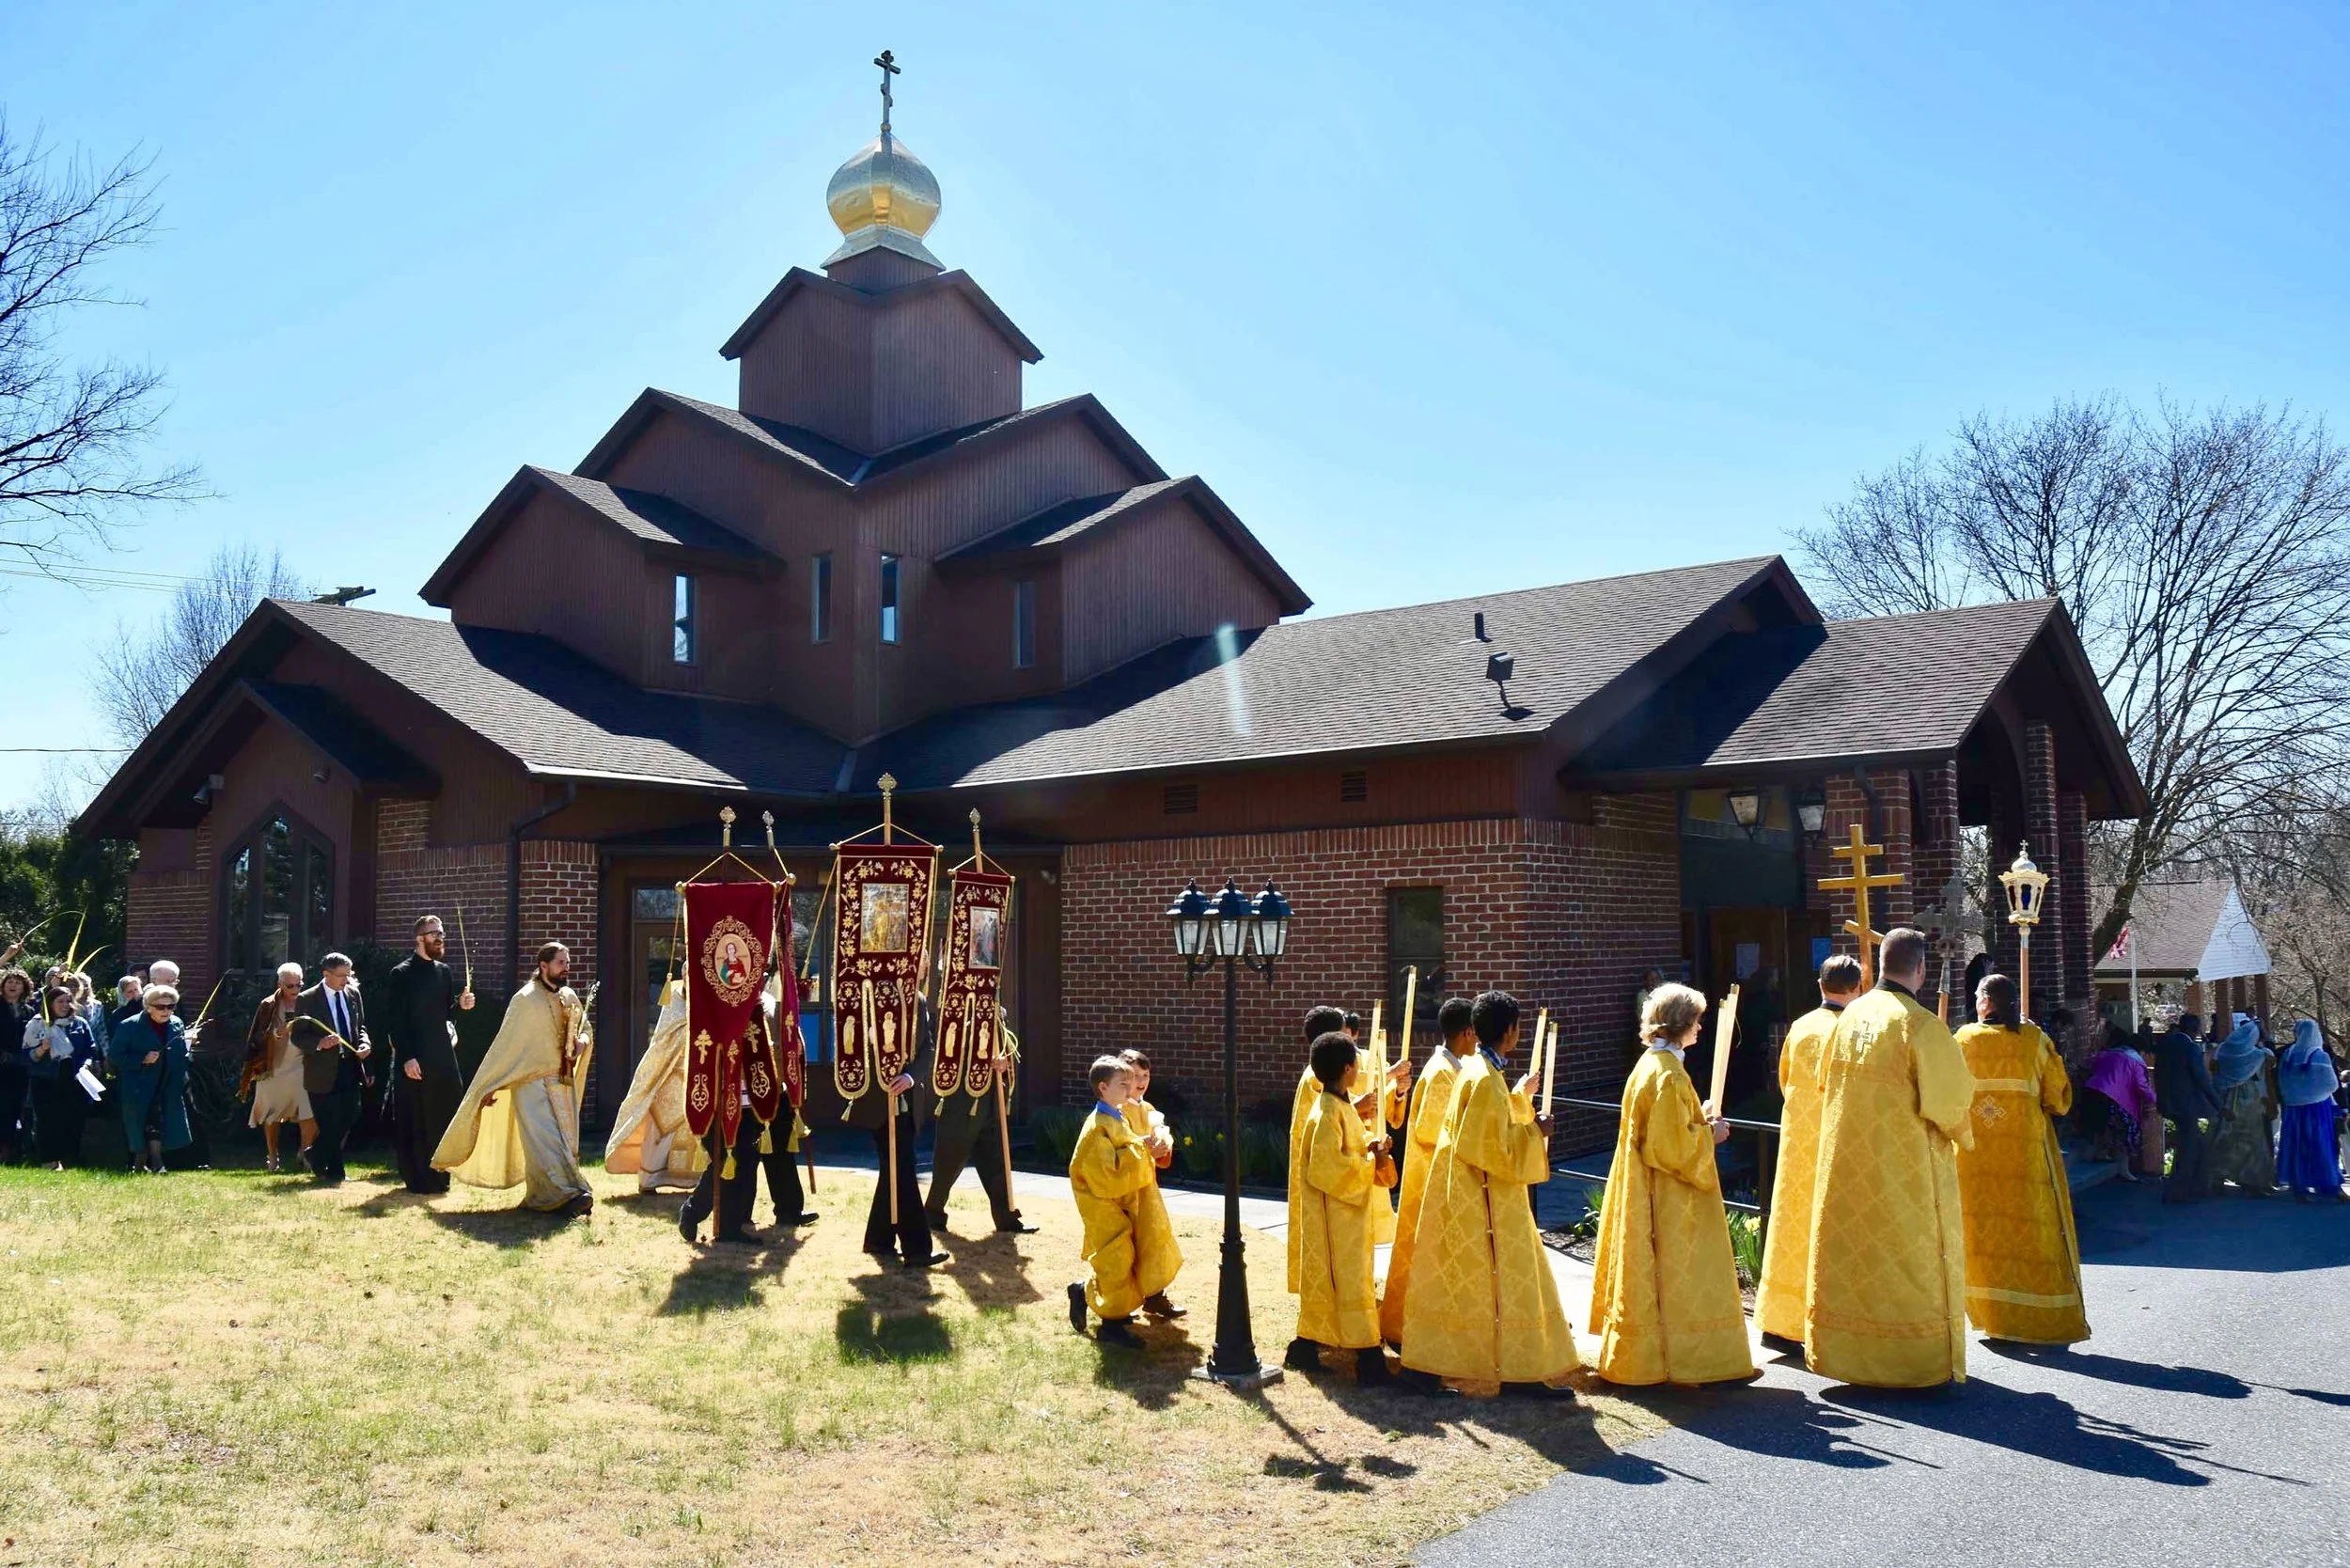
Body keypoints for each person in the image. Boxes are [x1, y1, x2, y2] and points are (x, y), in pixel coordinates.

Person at [1803, 927, 1975, 1388]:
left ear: (1881, 967)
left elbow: (1823, 1083)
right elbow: (1953, 1105)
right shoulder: (1920, 1026)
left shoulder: (1848, 1017)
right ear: (1920, 969)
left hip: (1847, 1171)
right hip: (1906, 1177)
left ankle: (1847, 1356)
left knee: (1855, 1261)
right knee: (1904, 1262)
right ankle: (1913, 1362)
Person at [1398, 990, 1580, 1397]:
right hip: (1480, 1200)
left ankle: (1509, 1371)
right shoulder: (1482, 1077)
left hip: (1476, 1195)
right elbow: (1489, 1148)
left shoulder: (1481, 1071)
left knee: (1468, 1285)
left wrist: (1520, 1103)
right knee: (1497, 1282)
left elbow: (1489, 1125)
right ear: (1512, 1031)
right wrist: (1536, 1131)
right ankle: (1511, 1375)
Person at [1590, 981, 1754, 1386]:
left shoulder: (1652, 1066)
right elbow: (1668, 1147)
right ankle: (1690, 1361)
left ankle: (1659, 1359)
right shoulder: (1667, 1075)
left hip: (1646, 1188)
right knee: (1678, 1276)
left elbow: (1665, 1126)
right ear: (1681, 1023)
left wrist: (1698, 1115)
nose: (1700, 1028)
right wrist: (1709, 1135)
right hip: (1666, 1196)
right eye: (1696, 1021)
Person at [1952, 974, 2089, 1346]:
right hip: (2024, 1156)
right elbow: (2058, 1096)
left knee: (1983, 1234)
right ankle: (2036, 1317)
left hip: (1974, 1156)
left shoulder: (1962, 1040)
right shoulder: (2034, 1040)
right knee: (2031, 1232)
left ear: (1987, 1002)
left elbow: (1945, 1091)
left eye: (1979, 996)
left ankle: (1991, 1315)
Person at [432, 942, 594, 1216]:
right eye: (561, 963)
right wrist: (493, 1084)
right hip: (530, 1084)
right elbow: (506, 1047)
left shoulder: (568, 996)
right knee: (545, 1141)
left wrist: (582, 1041)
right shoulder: (525, 999)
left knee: (566, 1141)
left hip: (561, 1081)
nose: (566, 968)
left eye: (567, 962)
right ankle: (566, 1195)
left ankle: (549, 1196)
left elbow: (583, 1027)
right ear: (544, 966)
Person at [1754, 953, 1862, 1344]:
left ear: (1820, 985)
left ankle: (1781, 1322)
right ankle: (1829, 1327)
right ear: (1859, 988)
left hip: (1798, 1142)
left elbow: (1785, 1081)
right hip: (1838, 1144)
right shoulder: (1854, 1030)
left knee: (1791, 1226)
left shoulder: (1800, 1026)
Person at [1292, 1030, 1393, 1384]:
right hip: (1335, 1219)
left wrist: (1371, 1147)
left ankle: (1304, 1347)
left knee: (1349, 1281)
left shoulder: (1340, 1105)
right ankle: (1368, 1359)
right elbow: (1327, 1168)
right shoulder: (1326, 1113)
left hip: (1348, 1214)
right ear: (1348, 1069)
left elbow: (1352, 1143)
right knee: (1350, 1283)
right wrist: (1369, 1161)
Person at [1066, 1055, 1180, 1347]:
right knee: (1115, 1258)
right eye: (1124, 1084)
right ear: (1103, 1087)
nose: (1131, 1089)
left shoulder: (1115, 1117)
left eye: (1134, 1082)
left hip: (1121, 1200)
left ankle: (1099, 1300)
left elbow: (1128, 1148)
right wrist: (1144, 1153)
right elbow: (1106, 1171)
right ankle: (1111, 1325)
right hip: (1102, 1203)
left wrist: (1148, 1146)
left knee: (1130, 1253)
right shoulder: (1097, 1126)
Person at [1379, 995, 1472, 1349]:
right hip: (1430, 1181)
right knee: (1421, 1260)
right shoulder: (1442, 1073)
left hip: (1438, 1179)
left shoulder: (1451, 1069)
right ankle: (1406, 1329)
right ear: (1466, 1033)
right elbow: (1432, 1130)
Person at [383, 914, 475, 1195]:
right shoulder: (401, 973)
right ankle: (418, 1178)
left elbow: (445, 1016)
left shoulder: (444, 972)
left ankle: (441, 1176)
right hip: (415, 1058)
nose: (440, 938)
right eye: (434, 933)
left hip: (443, 1057)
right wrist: (408, 1056)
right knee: (416, 1117)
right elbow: (395, 1021)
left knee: (444, 1113)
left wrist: (461, 1005)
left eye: (442, 933)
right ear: (420, 938)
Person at [924, 1019, 1036, 1236]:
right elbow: (947, 1057)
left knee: (996, 1163)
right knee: (948, 1163)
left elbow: (1007, 1058)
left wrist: (1003, 1064)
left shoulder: (998, 1021)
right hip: (961, 1105)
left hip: (990, 1104)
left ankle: (1007, 1217)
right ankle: (932, 1214)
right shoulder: (959, 1018)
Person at [847, 1006, 939, 1268]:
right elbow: (851, 1045)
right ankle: (918, 1248)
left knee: (893, 1170)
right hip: (878, 1102)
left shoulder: (918, 1000)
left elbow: (927, 1049)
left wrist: (910, 1077)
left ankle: (878, 1239)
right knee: (903, 1170)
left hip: (908, 1101)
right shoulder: (866, 994)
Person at [607, 985, 709, 1195]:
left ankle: (696, 1178)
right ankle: (651, 1179)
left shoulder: (707, 999)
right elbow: (664, 1036)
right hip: (669, 1074)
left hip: (697, 1077)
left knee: (696, 1128)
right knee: (660, 1129)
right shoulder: (674, 997)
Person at [1115, 1048, 1185, 1316]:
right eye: (1134, 1076)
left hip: (1148, 1187)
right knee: (1125, 1247)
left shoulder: (1148, 1109)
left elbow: (1160, 1149)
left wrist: (1163, 1145)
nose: (1141, 1081)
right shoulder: (1118, 1112)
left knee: (1153, 1241)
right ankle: (1104, 1296)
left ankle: (1155, 1296)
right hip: (1125, 1190)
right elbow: (1119, 1152)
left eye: (1145, 1075)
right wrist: (1145, 1149)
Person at [292, 953, 371, 1186]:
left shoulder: (353, 994)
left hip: (349, 1065)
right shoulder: (308, 999)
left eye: (349, 974)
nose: (346, 980)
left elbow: (361, 1025)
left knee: (350, 1115)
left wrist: (364, 1043)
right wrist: (319, 1043)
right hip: (321, 1070)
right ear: (326, 974)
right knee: (329, 1122)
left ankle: (314, 1154)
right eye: (341, 976)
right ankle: (335, 1172)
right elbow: (297, 1035)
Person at [241, 963, 316, 1174]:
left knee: (308, 1110)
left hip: (302, 1063)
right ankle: (272, 1156)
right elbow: (255, 1036)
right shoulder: (268, 1005)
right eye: (290, 986)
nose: (295, 990)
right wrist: (274, 1034)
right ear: (280, 984)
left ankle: (306, 1152)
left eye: (298, 985)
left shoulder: (308, 1002)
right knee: (271, 1112)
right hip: (273, 1066)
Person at [109, 982, 192, 1172]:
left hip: (167, 1082)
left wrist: (187, 1044)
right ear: (148, 1006)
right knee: (145, 1122)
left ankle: (142, 1165)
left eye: (170, 1007)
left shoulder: (177, 1023)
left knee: (159, 1121)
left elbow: (180, 1054)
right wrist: (141, 1059)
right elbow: (115, 1055)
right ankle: (157, 1163)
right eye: (160, 1007)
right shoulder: (129, 1026)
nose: (166, 1011)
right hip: (139, 1084)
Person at [24, 983, 99, 1168]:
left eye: (68, 1001)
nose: (65, 1005)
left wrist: (87, 1064)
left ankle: (69, 1158)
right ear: (50, 1003)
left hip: (74, 1076)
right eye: (60, 1001)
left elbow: (91, 1049)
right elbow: (27, 1055)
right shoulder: (37, 1024)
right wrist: (42, 1049)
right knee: (48, 1120)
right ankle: (49, 1160)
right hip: (46, 1077)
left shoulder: (79, 1023)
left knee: (73, 1118)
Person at [2153, 1012, 2223, 1205]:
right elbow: (2202, 1078)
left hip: (2169, 1101)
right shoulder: (2190, 1048)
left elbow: (2158, 1073)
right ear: (2196, 1029)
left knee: (2196, 1143)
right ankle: (2178, 1191)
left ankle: (2199, 1186)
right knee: (2188, 1147)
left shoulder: (2166, 1044)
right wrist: (2218, 1104)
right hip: (2186, 1104)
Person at [2206, 1017, 2278, 1198]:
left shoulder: (2222, 1050)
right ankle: (2251, 1181)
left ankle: (2216, 1178)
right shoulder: (2259, 1055)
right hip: (2248, 1099)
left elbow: (2213, 1068)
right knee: (2251, 1140)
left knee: (2221, 1137)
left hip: (2223, 1097)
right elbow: (2270, 1068)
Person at [2077, 1022, 2157, 1182]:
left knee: (2098, 1127)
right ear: (2141, 1050)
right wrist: (2155, 1099)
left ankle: (2099, 1153)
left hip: (2091, 1091)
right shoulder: (2135, 1061)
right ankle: (2124, 1168)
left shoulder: (2108, 1053)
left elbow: (2089, 1064)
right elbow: (2141, 1087)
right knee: (2127, 1131)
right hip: (2115, 1099)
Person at [2276, 1020, 2345, 1201]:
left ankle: (2300, 1187)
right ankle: (2329, 1185)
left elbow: (2282, 1082)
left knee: (2298, 1147)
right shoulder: (2319, 1055)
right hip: (2317, 1108)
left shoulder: (2288, 1055)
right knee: (2321, 1146)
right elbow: (2332, 1083)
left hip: (2293, 1108)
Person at [0, 965, 33, 1163]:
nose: (13, 985)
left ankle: (11, 1151)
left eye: (18, 982)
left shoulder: (28, 1011)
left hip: (19, 1069)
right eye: (9, 982)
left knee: (14, 1109)